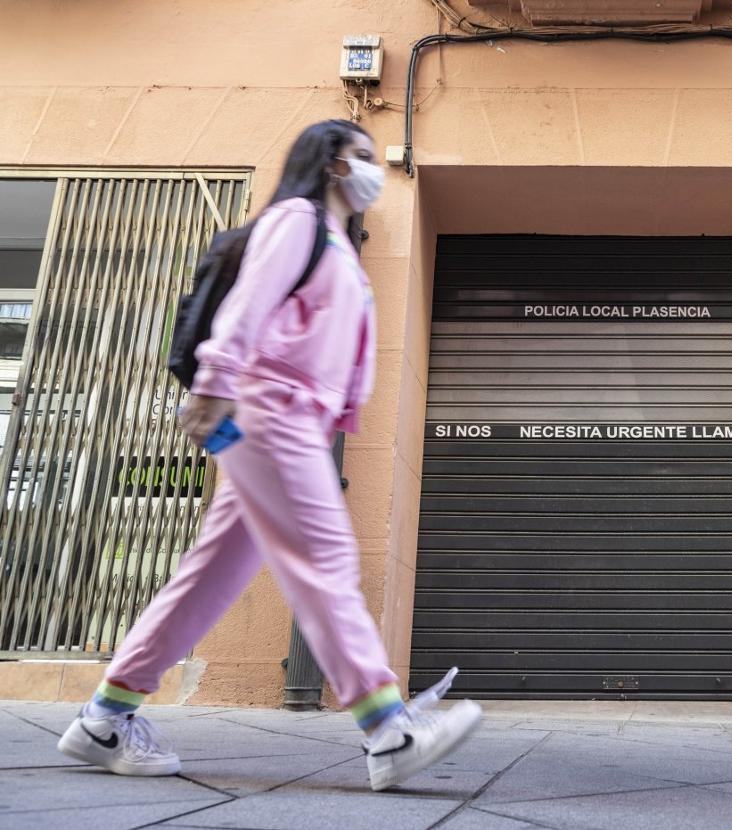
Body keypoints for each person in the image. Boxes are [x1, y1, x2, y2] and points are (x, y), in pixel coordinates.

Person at [55, 119, 481, 792]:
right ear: (332, 161)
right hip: (271, 409)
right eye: (362, 155)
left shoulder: (338, 241)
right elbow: (250, 305)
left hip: (291, 421)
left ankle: (105, 719)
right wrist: (214, 384)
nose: (374, 168)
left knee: (209, 579)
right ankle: (388, 728)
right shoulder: (297, 220)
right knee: (324, 560)